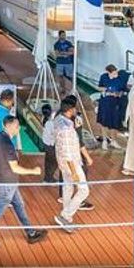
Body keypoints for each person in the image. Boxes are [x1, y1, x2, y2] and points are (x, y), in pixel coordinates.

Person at [0, 115, 47, 247]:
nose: (19, 128)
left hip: (7, 181)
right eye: (16, 126)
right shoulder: (8, 145)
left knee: (19, 205)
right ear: (8, 126)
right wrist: (34, 171)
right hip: (7, 182)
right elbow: (15, 168)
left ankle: (30, 233)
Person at [52, 97, 89, 234]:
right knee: (84, 190)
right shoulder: (66, 127)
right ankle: (65, 215)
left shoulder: (58, 120)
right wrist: (74, 170)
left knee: (67, 187)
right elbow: (68, 151)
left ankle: (66, 218)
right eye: (74, 108)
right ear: (70, 110)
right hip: (71, 162)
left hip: (61, 161)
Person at [96, 64, 128, 131]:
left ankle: (113, 139)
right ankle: (104, 138)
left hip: (115, 102)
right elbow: (99, 87)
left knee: (114, 122)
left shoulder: (119, 79)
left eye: (116, 72)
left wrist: (118, 94)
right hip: (105, 102)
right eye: (113, 73)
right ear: (108, 72)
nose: (115, 74)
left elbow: (123, 90)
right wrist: (106, 89)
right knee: (103, 121)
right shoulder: (103, 77)